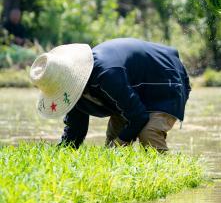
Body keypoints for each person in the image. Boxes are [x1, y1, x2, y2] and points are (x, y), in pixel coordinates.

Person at [29, 38, 191, 152]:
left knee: (147, 133)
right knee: (113, 142)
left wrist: (120, 144)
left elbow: (138, 116)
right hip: (133, 89)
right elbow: (75, 132)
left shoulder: (106, 75)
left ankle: (164, 170)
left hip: (165, 79)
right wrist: (60, 158)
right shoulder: (73, 91)